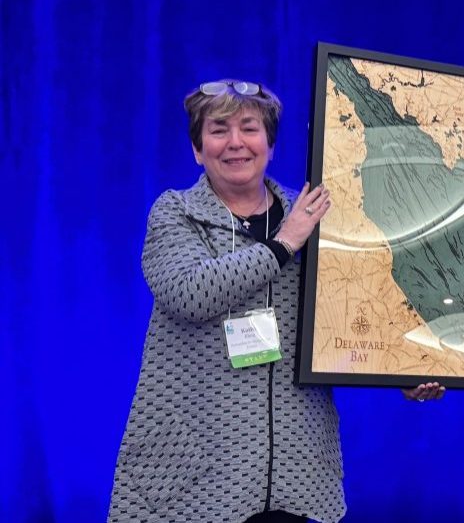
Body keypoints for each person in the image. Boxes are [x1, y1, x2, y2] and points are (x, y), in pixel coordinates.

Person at [108, 80, 444, 522]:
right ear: (197, 148)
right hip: (193, 475)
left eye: (249, 128)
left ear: (270, 144)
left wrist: (397, 372)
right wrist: (284, 243)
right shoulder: (175, 213)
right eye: (218, 129)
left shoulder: (315, 217)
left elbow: (349, 319)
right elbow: (190, 293)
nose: (235, 143)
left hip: (293, 472)